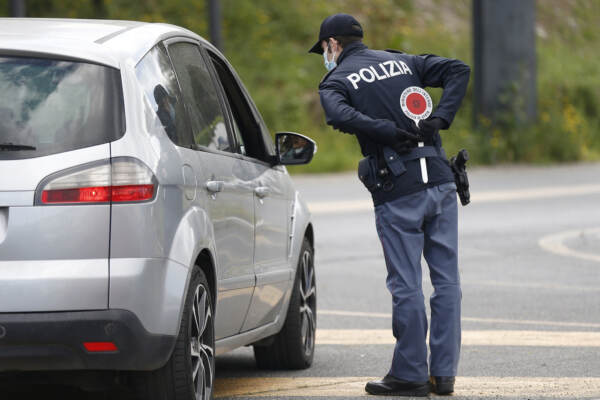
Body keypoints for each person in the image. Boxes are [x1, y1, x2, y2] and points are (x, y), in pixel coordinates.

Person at [309, 13, 470, 397]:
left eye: (324, 50)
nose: (324, 56)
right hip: (441, 180)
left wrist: (382, 131)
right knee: (447, 280)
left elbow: (338, 114)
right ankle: (443, 375)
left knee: (406, 283)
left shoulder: (336, 79)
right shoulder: (404, 61)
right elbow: (458, 69)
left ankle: (411, 374)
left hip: (398, 189)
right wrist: (440, 118)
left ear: (333, 44)